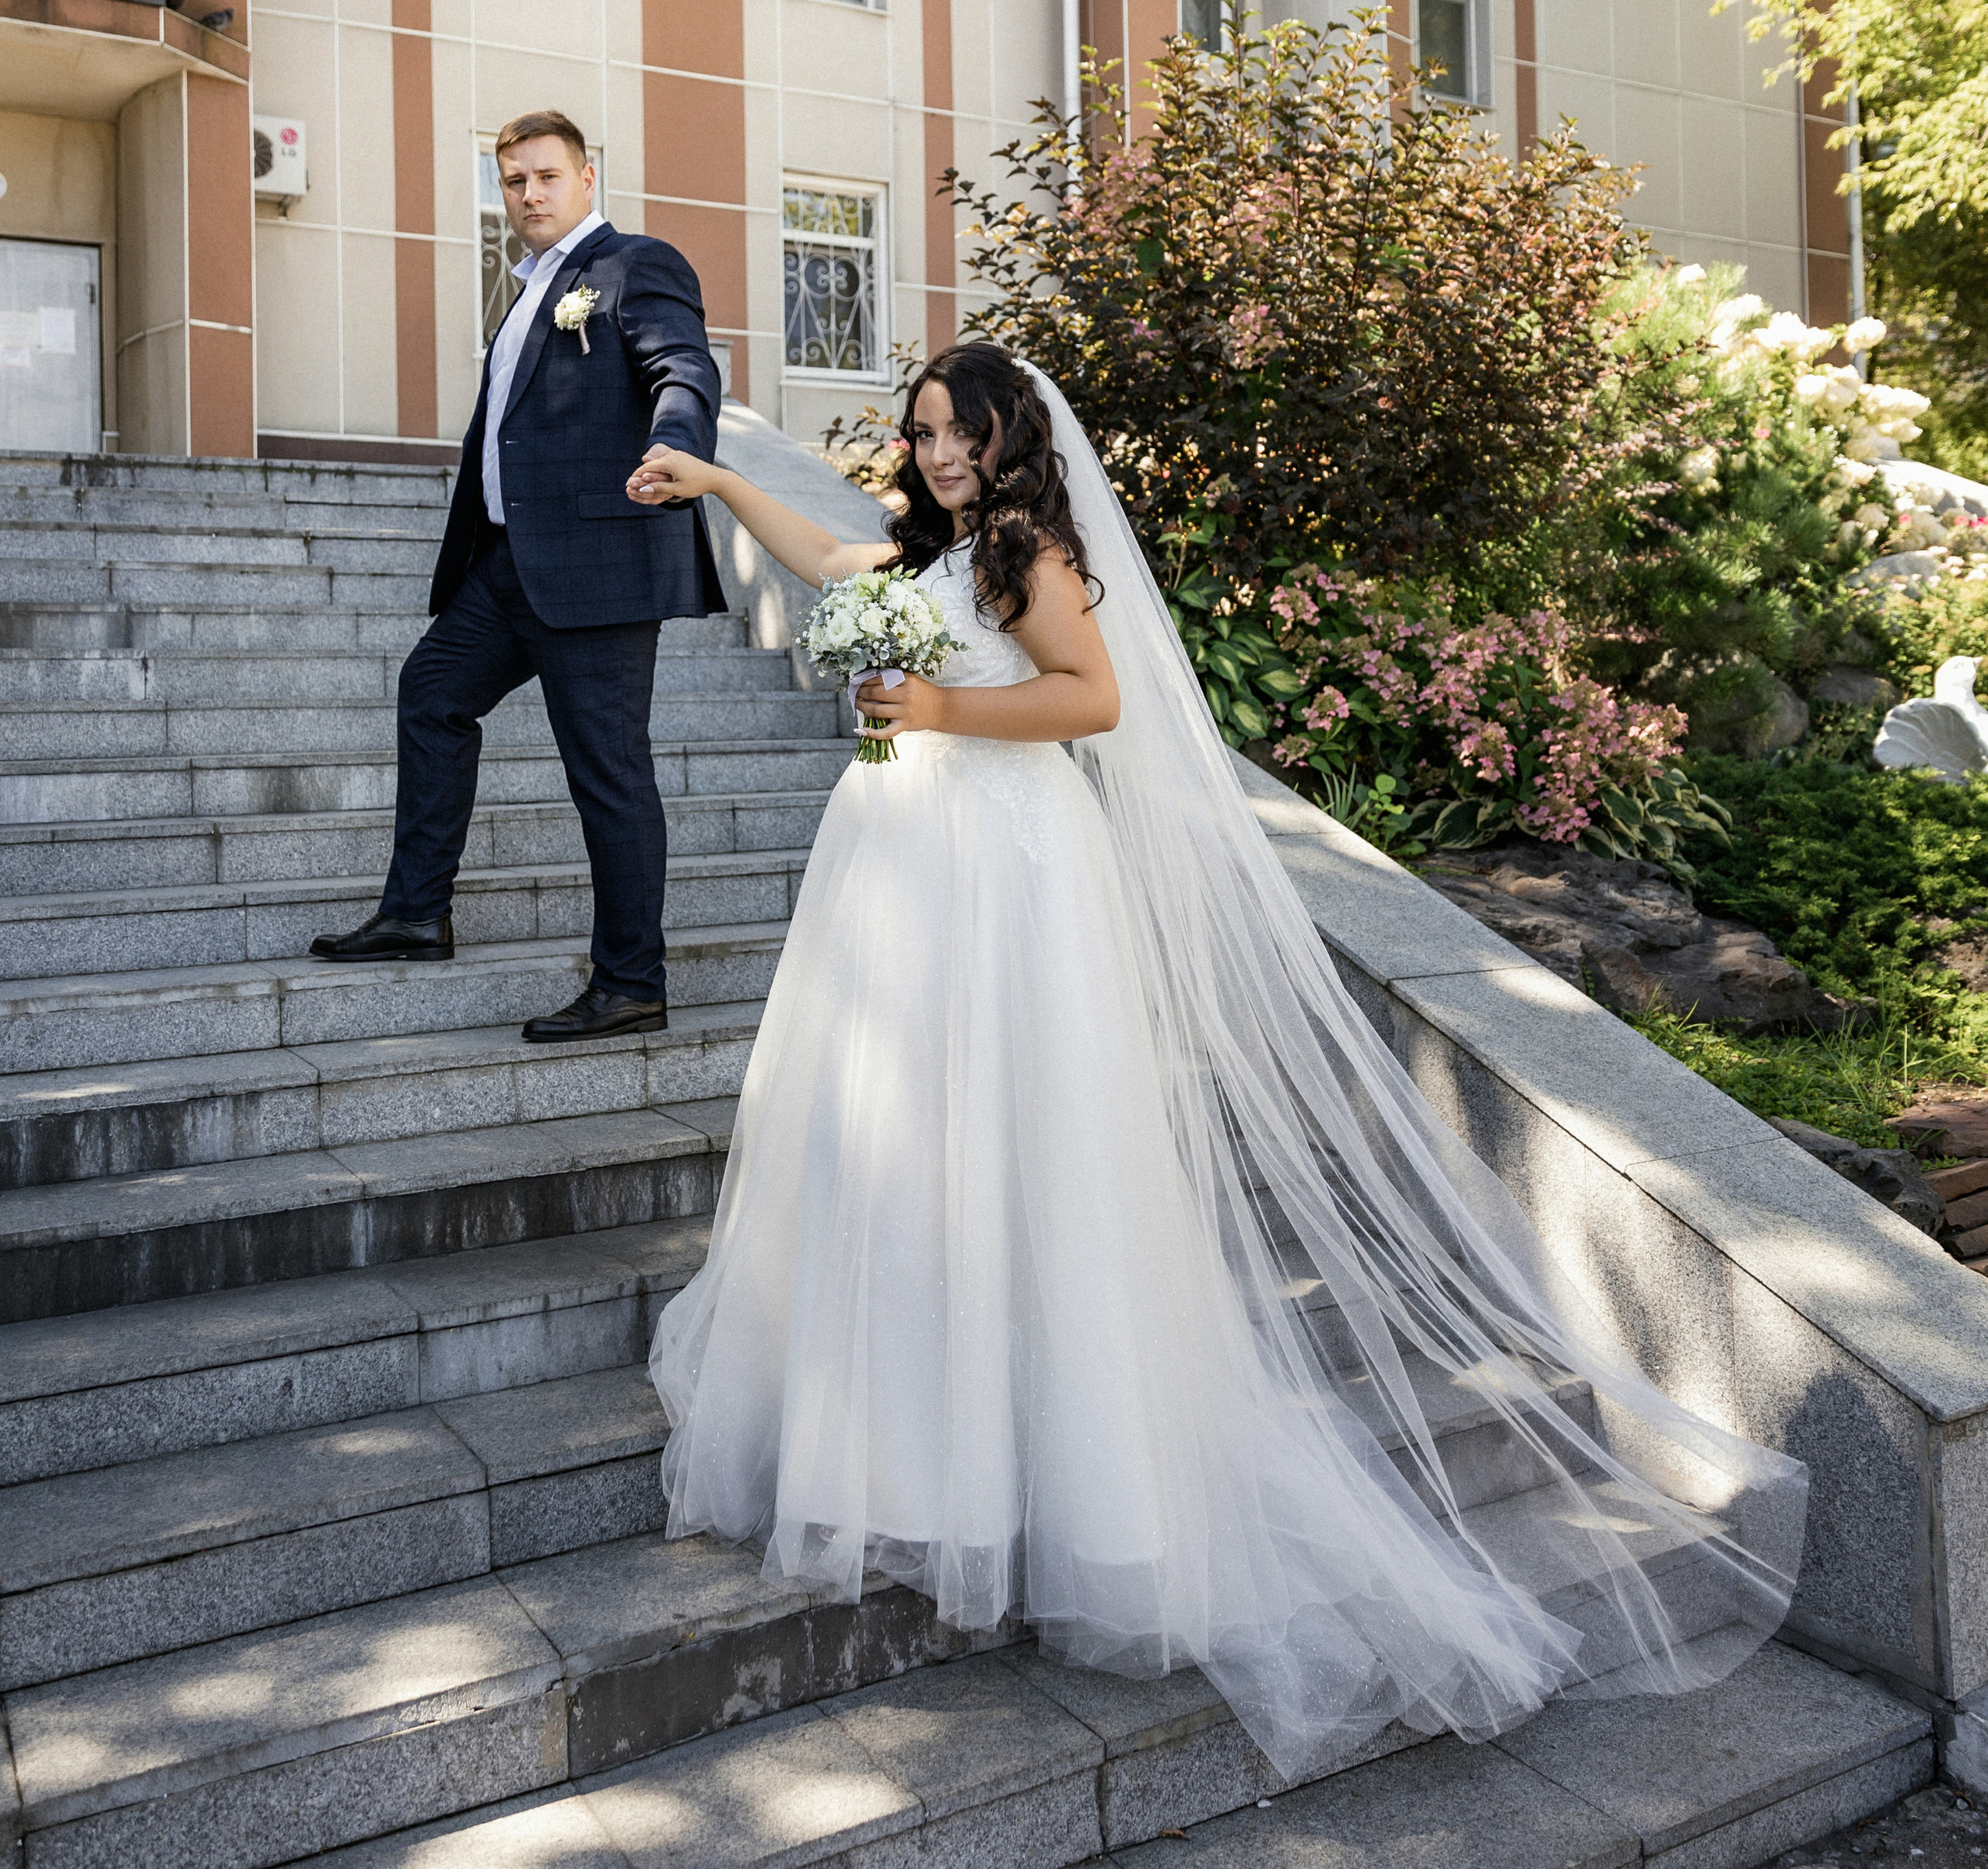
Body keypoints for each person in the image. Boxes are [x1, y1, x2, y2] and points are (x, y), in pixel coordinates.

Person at [625, 342, 1805, 1779]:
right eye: (924, 432)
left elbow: (1091, 698)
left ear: (1009, 438)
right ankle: (909, 1452)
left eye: (960, 432)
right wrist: (717, 478)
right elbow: (824, 554)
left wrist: (936, 711)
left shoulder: (1029, 553)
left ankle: (1051, 1473)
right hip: (902, 867)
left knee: (1024, 1151)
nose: (938, 454)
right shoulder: (930, 554)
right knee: (906, 1147)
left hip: (1004, 868)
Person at [310, 110, 724, 1043]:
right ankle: (417, 912)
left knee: (608, 772)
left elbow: (683, 368)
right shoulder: (530, 288)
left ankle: (631, 983)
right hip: (507, 563)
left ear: (586, 178)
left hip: (601, 563)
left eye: (545, 176)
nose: (528, 194)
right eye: (512, 181)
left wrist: (675, 444)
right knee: (432, 691)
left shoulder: (635, 265)